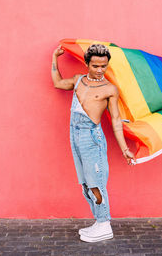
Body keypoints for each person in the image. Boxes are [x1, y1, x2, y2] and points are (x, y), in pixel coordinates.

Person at [51, 43, 135, 242]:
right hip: (75, 136)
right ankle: (99, 221)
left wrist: (124, 148)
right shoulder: (78, 81)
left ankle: (105, 224)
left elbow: (115, 120)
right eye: (95, 66)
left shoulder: (109, 89)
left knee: (96, 182)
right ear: (87, 64)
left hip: (92, 139)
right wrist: (55, 58)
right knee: (85, 184)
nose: (99, 70)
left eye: (103, 66)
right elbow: (57, 83)